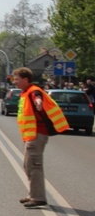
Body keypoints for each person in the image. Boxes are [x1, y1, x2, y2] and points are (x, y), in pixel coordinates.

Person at [13, 67, 69, 208]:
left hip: (37, 134)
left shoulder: (33, 91)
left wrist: (39, 102)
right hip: (30, 135)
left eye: (17, 79)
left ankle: (38, 197)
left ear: (25, 79)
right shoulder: (25, 93)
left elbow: (38, 97)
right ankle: (33, 194)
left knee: (34, 165)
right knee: (28, 165)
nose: (14, 82)